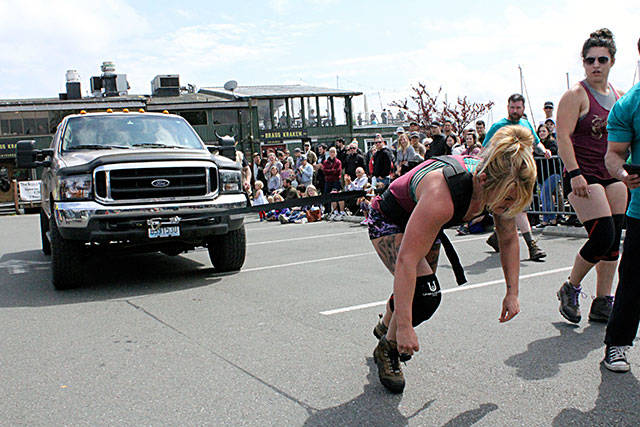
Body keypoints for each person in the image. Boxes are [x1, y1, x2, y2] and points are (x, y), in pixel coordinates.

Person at [368, 125, 537, 393]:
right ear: (483, 182)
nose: (507, 210)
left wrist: (512, 293)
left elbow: (508, 239)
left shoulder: (502, 180)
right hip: (390, 217)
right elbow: (406, 262)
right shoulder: (443, 194)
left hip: (423, 220)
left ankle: (385, 324)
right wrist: (405, 328)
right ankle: (386, 349)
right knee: (425, 295)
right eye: (505, 202)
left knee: (417, 292)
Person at [555, 28, 626, 326]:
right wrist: (575, 174)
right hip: (583, 174)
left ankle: (602, 301)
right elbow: (562, 137)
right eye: (589, 60)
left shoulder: (620, 97)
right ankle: (570, 286)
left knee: (613, 244)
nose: (595, 65)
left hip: (612, 174)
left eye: (601, 59)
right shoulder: (576, 95)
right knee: (602, 236)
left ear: (612, 61)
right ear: (583, 63)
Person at [602, 35, 640, 372]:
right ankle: (617, 344)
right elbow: (613, 157)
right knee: (634, 282)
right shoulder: (629, 104)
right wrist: (623, 173)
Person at [483, 93, 551, 261]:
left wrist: (545, 151)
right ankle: (532, 246)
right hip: (505, 176)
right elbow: (485, 148)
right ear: (508, 108)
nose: (515, 111)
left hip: (524, 174)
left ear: (523, 108)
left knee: (514, 209)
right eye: (512, 107)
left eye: (518, 108)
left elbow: (536, 143)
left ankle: (495, 237)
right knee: (519, 209)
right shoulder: (499, 126)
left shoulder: (526, 124)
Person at [534, 124, 560, 227]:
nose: (542, 133)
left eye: (544, 131)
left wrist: (545, 151)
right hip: (541, 176)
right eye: (540, 132)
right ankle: (551, 219)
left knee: (544, 194)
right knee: (545, 197)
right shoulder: (536, 145)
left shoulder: (552, 143)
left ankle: (546, 220)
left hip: (552, 173)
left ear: (548, 132)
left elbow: (553, 151)